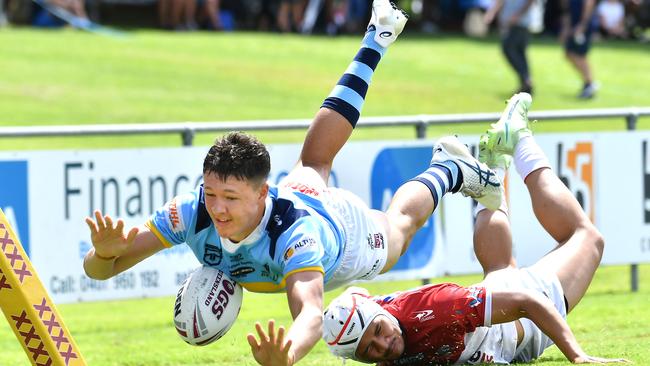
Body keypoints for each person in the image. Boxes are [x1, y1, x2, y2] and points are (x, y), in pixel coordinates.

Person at [82, 1, 501, 365]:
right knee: (314, 160)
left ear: (262, 193)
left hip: (344, 238)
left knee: (400, 227)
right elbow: (99, 271)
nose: (217, 208)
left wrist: (290, 355)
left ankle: (449, 169)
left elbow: (312, 314)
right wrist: (104, 253)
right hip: (302, 193)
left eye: (230, 197)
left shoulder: (295, 237)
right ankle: (379, 35)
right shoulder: (192, 212)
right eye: (211, 193)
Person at [322, 93, 630, 365]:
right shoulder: (369, 320)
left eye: (378, 331)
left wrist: (577, 356)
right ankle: (492, 166)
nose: (383, 346)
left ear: (382, 315)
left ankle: (521, 140)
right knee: (499, 268)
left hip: (526, 316)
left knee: (586, 237)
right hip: (497, 318)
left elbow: (528, 303)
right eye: (368, 352)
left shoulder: (438, 309)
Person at [484, 0, 535, 95]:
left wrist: (518, 15)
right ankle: (526, 84)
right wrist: (492, 13)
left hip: (520, 23)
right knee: (519, 53)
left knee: (509, 49)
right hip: (513, 22)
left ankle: (526, 80)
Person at [560, 0, 599, 99]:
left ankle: (589, 84)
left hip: (583, 27)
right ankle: (589, 82)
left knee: (580, 55)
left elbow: (589, 5)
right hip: (574, 24)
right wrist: (566, 28)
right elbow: (566, 10)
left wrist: (582, 25)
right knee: (569, 54)